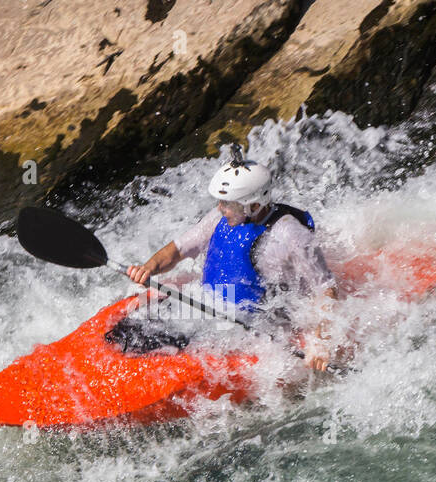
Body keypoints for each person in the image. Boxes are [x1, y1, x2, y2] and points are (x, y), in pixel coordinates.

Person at [127, 147, 338, 370]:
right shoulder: (220, 218)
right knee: (136, 330)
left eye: (228, 203)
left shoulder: (290, 234)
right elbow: (178, 250)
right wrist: (148, 268)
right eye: (221, 201)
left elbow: (326, 289)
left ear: (255, 205)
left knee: (159, 345)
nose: (220, 208)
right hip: (211, 307)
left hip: (254, 324)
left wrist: (320, 342)